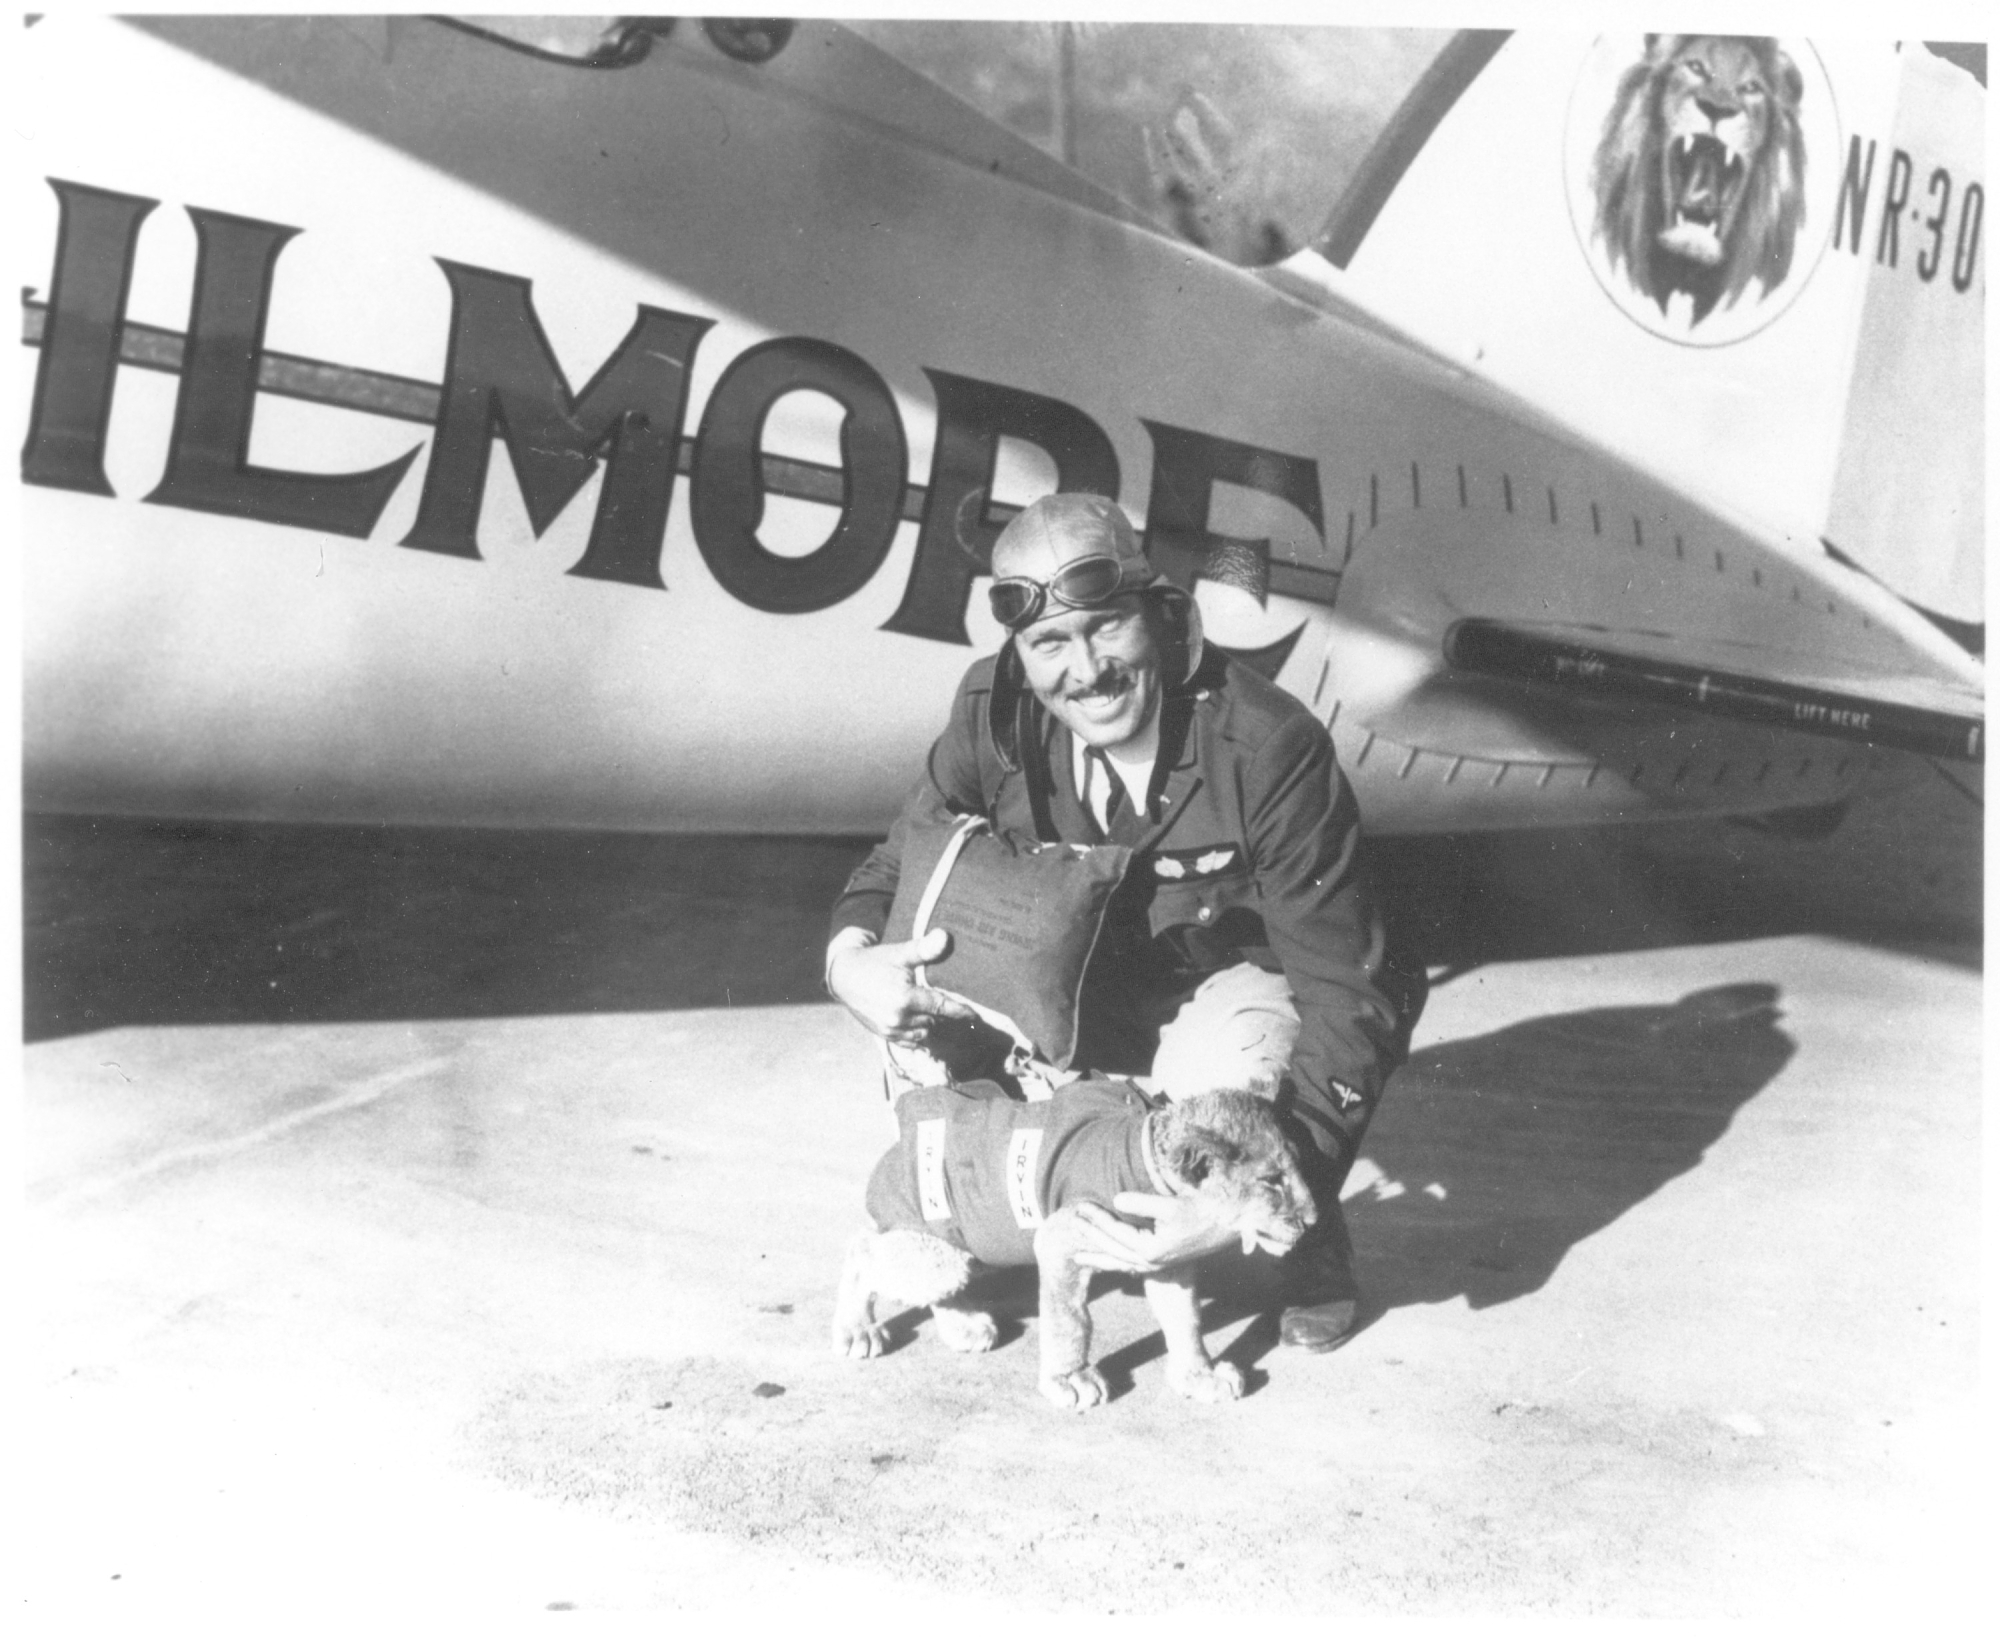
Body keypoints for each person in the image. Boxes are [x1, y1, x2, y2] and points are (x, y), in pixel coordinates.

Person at [825, 492, 1423, 1350]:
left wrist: (1275, 1185)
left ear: (1167, 618)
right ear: (1021, 652)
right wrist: (849, 963)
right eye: (1049, 644)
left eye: (1107, 628)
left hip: (1215, 1001)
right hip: (1072, 998)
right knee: (912, 997)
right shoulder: (995, 712)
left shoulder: (1266, 747)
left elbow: (1349, 995)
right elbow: (897, 862)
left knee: (1240, 1078)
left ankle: (1308, 1235)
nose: (1086, 671)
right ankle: (1005, 1207)